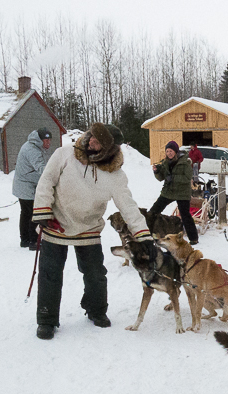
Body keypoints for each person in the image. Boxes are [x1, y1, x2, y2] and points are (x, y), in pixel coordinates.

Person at [31, 123, 156, 340]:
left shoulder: (115, 175)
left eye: (98, 142)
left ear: (109, 149)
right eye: (92, 137)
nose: (91, 141)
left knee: (96, 275)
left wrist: (143, 235)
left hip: (88, 227)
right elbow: (46, 182)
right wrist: (42, 212)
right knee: (50, 274)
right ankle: (46, 319)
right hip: (56, 222)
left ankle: (96, 310)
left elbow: (128, 206)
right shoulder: (65, 154)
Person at [150, 141, 199, 246]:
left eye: (171, 151)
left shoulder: (185, 161)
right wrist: (157, 171)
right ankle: (149, 234)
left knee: (185, 215)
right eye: (167, 151)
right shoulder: (165, 162)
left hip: (182, 192)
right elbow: (161, 178)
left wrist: (173, 178)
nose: (169, 153)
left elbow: (187, 178)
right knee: (153, 211)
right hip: (168, 191)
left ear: (175, 151)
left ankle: (193, 238)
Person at [12, 128, 51, 250]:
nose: (48, 143)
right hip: (27, 186)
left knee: (26, 213)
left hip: (24, 185)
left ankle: (25, 239)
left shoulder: (32, 146)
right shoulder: (32, 150)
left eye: (49, 140)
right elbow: (41, 168)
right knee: (34, 214)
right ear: (39, 140)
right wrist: (56, 174)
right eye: (46, 140)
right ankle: (34, 241)